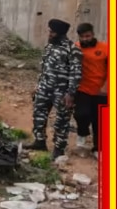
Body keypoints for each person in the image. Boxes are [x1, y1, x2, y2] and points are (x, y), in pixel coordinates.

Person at [25, 19, 83, 159]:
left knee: (61, 120)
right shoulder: (49, 47)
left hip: (62, 92)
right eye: (50, 31)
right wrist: (38, 86)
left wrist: (71, 93)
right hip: (44, 88)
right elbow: (44, 68)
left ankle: (59, 148)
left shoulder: (72, 49)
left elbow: (76, 73)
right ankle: (39, 141)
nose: (49, 34)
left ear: (60, 33)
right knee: (39, 115)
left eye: (52, 32)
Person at [73, 23, 107, 159]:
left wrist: (105, 87)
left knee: (99, 121)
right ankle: (82, 135)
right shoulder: (76, 48)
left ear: (93, 34)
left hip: (102, 91)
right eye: (82, 37)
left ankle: (98, 149)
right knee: (81, 114)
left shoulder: (105, 48)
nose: (85, 39)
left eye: (88, 36)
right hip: (83, 89)